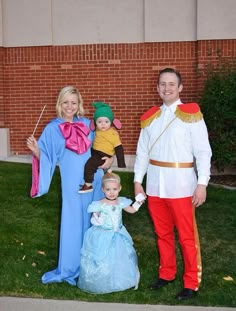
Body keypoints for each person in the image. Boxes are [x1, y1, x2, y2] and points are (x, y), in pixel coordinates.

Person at [133, 68, 212, 300]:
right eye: (162, 84)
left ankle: (191, 282)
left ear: (180, 88)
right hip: (156, 186)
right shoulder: (150, 118)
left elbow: (203, 152)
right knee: (162, 234)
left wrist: (202, 183)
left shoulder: (192, 114)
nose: (166, 88)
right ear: (157, 88)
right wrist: (138, 181)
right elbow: (142, 153)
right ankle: (167, 273)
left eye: (171, 84)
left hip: (182, 186)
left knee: (186, 237)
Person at [26, 86, 113, 286]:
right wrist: (36, 150)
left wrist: (108, 160)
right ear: (60, 104)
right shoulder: (52, 128)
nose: (70, 106)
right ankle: (70, 267)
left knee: (96, 220)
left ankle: (95, 265)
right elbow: (47, 158)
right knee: (73, 223)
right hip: (72, 182)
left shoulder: (87, 124)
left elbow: (102, 145)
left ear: (78, 104)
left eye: (73, 102)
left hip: (94, 179)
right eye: (66, 102)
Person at [78, 171, 142, 294]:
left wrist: (138, 203)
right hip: (103, 234)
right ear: (103, 189)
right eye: (108, 189)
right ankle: (102, 280)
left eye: (114, 189)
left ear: (119, 188)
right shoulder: (99, 204)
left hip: (118, 233)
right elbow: (94, 217)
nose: (112, 192)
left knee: (120, 257)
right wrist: (97, 220)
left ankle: (119, 279)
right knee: (104, 257)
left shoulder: (121, 202)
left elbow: (132, 210)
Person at [79, 101, 126, 193]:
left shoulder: (113, 133)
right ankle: (107, 170)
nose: (103, 124)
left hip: (103, 154)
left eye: (106, 121)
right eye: (100, 122)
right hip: (95, 151)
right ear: (95, 123)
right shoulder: (97, 129)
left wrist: (121, 163)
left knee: (89, 165)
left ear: (111, 122)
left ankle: (88, 184)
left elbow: (119, 148)